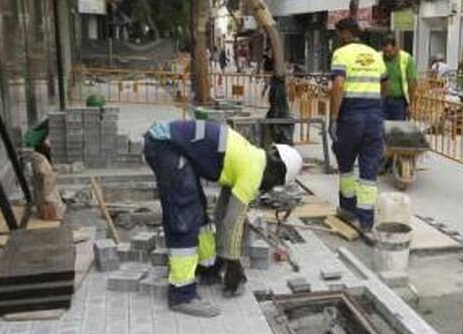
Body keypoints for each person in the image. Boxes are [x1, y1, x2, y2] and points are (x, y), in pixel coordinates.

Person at [142, 120, 303, 315]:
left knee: (198, 211)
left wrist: (226, 259)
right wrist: (234, 266)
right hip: (165, 146)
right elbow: (232, 222)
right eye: (275, 183)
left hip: (169, 144)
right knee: (184, 217)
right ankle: (181, 294)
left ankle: (208, 269)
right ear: (277, 171)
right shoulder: (253, 172)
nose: (268, 188)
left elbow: (222, 215)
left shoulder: (250, 157)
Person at [329, 17, 387, 231]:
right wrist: (375, 106)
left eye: (339, 34)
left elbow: (338, 86)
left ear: (345, 33)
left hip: (351, 115)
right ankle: (366, 220)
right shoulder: (375, 54)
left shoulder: (341, 54)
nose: (338, 39)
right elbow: (385, 85)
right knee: (369, 168)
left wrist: (333, 118)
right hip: (374, 115)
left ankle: (348, 209)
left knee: (345, 162)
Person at [381, 36, 417, 121]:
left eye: (389, 52)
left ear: (396, 48)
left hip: (398, 102)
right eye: (385, 52)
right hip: (381, 100)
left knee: (397, 129)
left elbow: (412, 82)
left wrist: (411, 104)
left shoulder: (406, 58)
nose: (387, 54)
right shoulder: (378, 57)